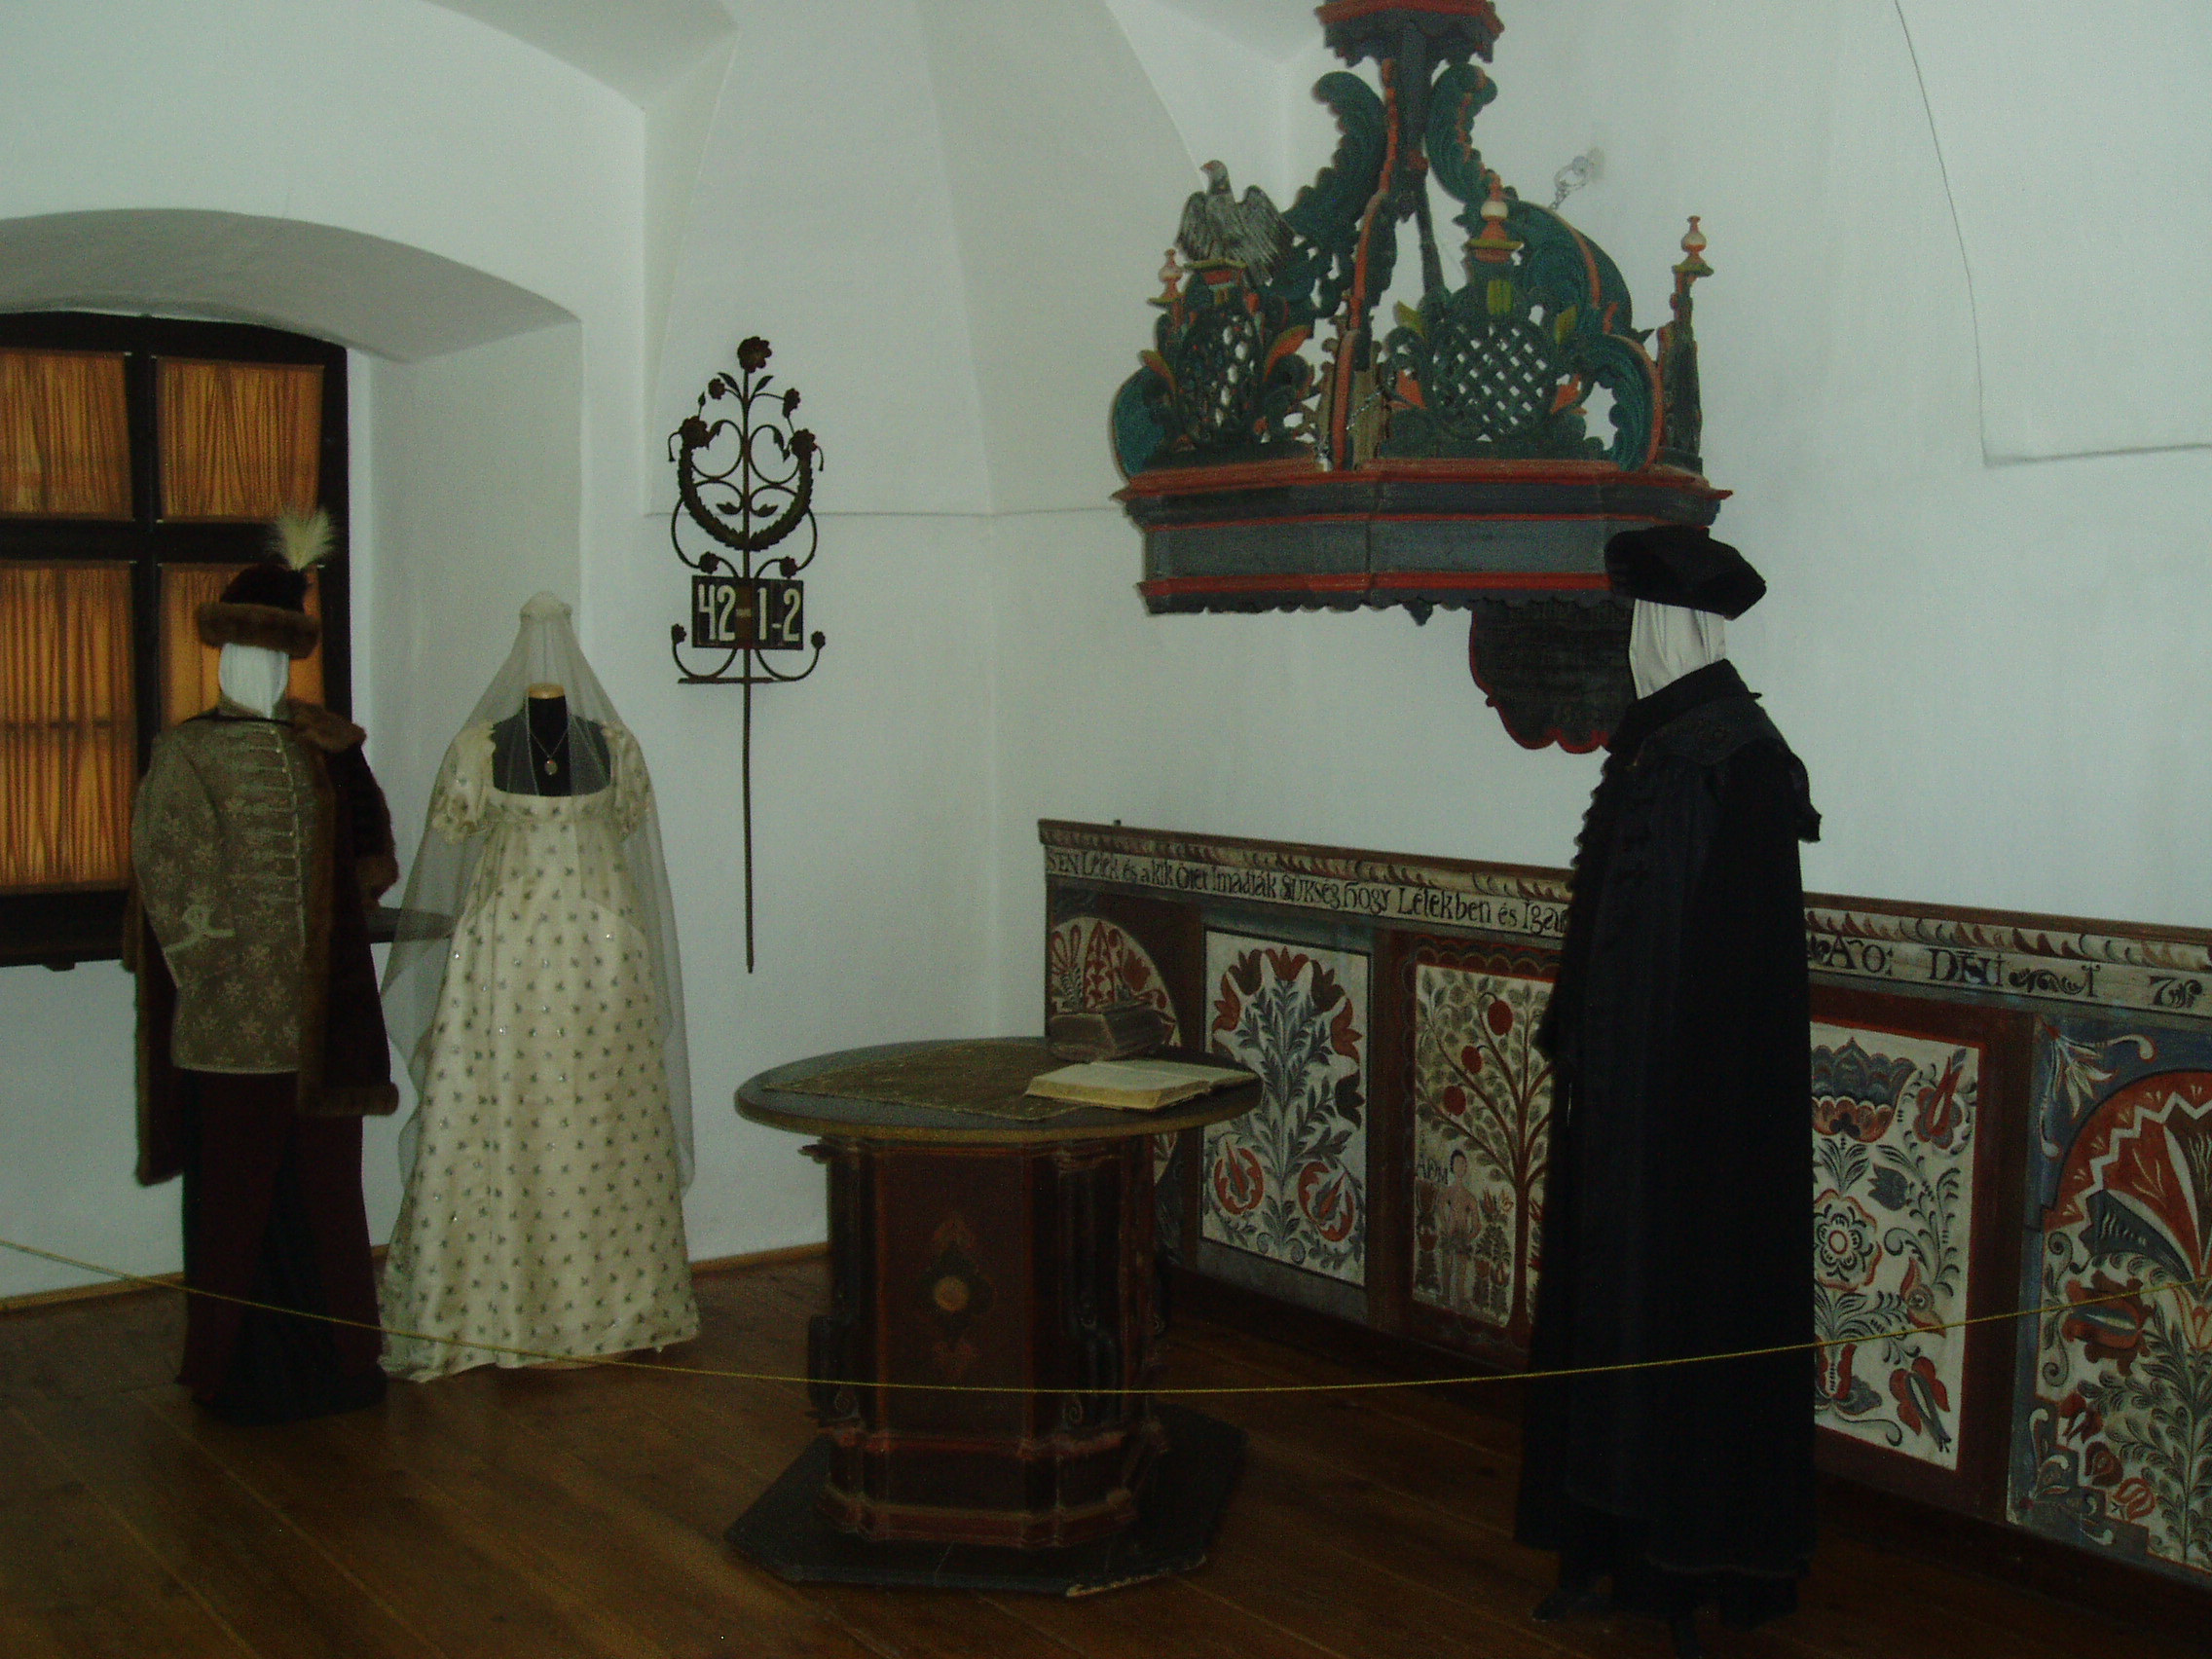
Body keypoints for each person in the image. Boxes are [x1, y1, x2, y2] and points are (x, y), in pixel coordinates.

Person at [1516, 524, 1821, 1658]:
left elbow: (1740, 977)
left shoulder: (1739, 759)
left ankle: (1685, 1572)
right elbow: (1607, 924)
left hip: (1694, 1124)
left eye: (1639, 619)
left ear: (1670, 626)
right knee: (1606, 1318)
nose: (1629, 641)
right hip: (1618, 1111)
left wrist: (1692, 1115)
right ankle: (1600, 1546)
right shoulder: (1650, 747)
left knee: (1683, 1319)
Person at [378, 592, 698, 1379]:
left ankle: (613, 1301)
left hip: (601, 961)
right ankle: (497, 1306)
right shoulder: (481, 749)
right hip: (507, 960)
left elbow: (627, 827)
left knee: (604, 1115)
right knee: (508, 1103)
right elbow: (451, 835)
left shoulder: (613, 747)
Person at [129, 510, 399, 1424]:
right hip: (231, 1022)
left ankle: (342, 1362)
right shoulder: (187, 752)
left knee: (327, 1192)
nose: (266, 672)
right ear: (224, 655)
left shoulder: (324, 749)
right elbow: (170, 872)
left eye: (280, 657)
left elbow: (364, 860)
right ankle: (231, 1370)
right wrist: (212, 967)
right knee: (237, 1195)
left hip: (323, 1020)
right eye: (250, 654)